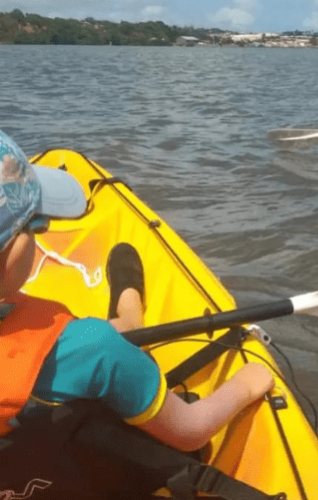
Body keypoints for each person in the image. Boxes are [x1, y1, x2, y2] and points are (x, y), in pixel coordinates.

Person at [0, 130, 274, 453]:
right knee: (106, 338)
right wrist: (247, 384)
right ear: (15, 247)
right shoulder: (93, 349)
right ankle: (130, 313)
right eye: (37, 224)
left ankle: (127, 318)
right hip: (71, 453)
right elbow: (190, 430)